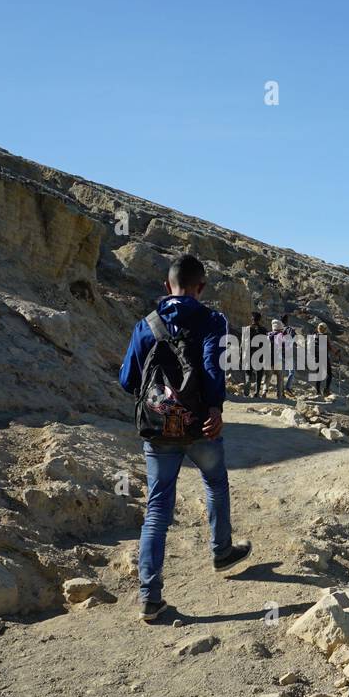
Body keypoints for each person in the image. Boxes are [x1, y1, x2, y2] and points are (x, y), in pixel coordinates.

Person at [118, 254, 252, 622]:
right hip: (200, 426)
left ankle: (150, 598)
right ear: (201, 287)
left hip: (158, 429)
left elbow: (128, 380)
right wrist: (215, 409)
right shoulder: (212, 320)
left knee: (157, 509)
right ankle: (221, 551)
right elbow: (213, 368)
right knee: (215, 484)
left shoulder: (145, 325)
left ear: (167, 286)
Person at [242, 312, 267, 397]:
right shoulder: (264, 330)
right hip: (259, 354)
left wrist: (242, 354)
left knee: (248, 372)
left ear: (252, 319)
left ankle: (248, 382)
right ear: (259, 320)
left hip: (249, 353)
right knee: (259, 374)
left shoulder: (246, 329)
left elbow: (243, 344)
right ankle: (256, 393)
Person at [313, 322, 335, 398]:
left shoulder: (314, 336)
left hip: (316, 357)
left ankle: (318, 391)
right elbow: (330, 348)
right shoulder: (325, 337)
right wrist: (336, 352)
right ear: (325, 329)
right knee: (329, 374)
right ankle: (326, 390)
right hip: (324, 357)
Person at [269, 319, 289, 399]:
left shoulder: (268, 335)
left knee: (267, 378)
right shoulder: (281, 336)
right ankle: (280, 394)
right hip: (278, 359)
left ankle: (263, 392)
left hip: (269, 359)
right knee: (280, 378)